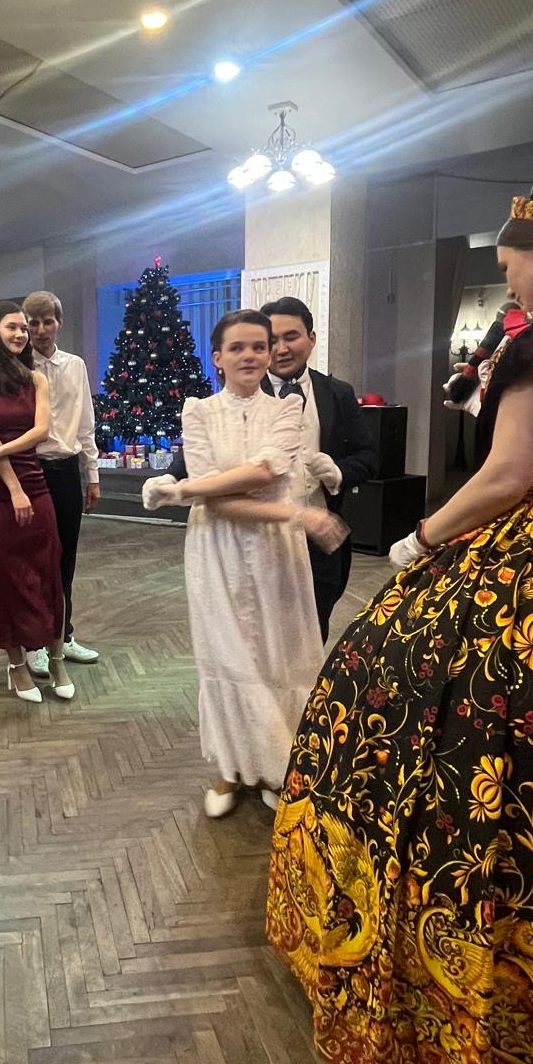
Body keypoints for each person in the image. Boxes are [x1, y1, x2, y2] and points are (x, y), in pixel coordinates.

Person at [266, 174, 533, 1064]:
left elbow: (509, 474)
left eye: (513, 259)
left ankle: (432, 988)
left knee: (436, 721)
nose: (510, 274)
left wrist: (424, 536)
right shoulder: (525, 339)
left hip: (527, 560)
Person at [142, 311, 346, 817]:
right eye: (237, 347)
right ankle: (232, 769)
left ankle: (277, 764)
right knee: (227, 657)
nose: (250, 355)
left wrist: (181, 491)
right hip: (217, 548)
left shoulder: (287, 408)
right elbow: (220, 503)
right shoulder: (197, 411)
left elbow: (262, 473)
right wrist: (294, 511)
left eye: (259, 346)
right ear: (218, 358)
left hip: (276, 550)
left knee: (281, 654)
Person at [0, 290, 100, 675]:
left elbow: (86, 423)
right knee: (25, 564)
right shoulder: (10, 370)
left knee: (61, 560)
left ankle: (62, 635)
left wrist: (92, 473)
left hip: (64, 470)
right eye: (28, 323)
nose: (36, 330)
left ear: (58, 324)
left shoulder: (74, 366)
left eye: (44, 322)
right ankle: (34, 644)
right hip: (25, 469)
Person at [258, 296, 379, 643]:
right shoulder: (246, 391)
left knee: (314, 626)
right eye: (271, 340)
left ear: (311, 339)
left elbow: (369, 455)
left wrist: (339, 472)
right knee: (263, 632)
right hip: (261, 535)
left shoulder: (337, 393)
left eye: (291, 336)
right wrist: (174, 475)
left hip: (320, 534)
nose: (281, 349)